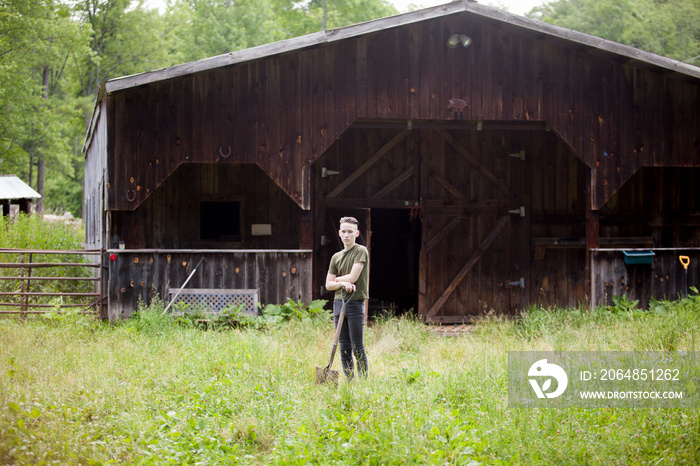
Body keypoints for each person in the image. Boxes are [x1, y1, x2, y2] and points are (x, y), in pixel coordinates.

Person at [325, 216, 369, 380]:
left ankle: (363, 381)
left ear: (356, 233)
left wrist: (337, 280)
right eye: (343, 231)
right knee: (343, 346)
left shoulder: (360, 251)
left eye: (350, 232)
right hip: (339, 302)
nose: (346, 235)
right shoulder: (336, 257)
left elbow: (352, 277)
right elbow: (328, 286)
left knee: (357, 346)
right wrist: (341, 284)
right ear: (339, 233)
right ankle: (350, 381)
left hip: (355, 302)